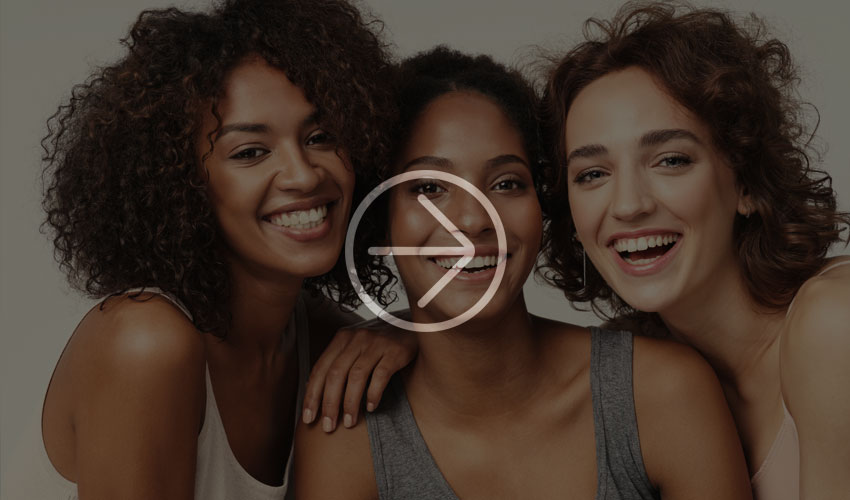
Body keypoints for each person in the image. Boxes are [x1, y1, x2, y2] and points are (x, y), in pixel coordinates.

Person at [295, 46, 752, 499]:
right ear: (380, 214)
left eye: (506, 183)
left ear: (544, 206)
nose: (474, 219)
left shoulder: (659, 394)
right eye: (429, 187)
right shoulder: (346, 429)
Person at [3, 0, 414, 498]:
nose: (305, 174)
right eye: (250, 152)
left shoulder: (325, 339)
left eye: (321, 136)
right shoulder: (147, 343)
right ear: (179, 182)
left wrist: (413, 336)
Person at [539, 3, 850, 499]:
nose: (628, 205)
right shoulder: (641, 375)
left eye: (671, 160)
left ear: (745, 182)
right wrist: (406, 336)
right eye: (592, 174)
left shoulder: (834, 320)